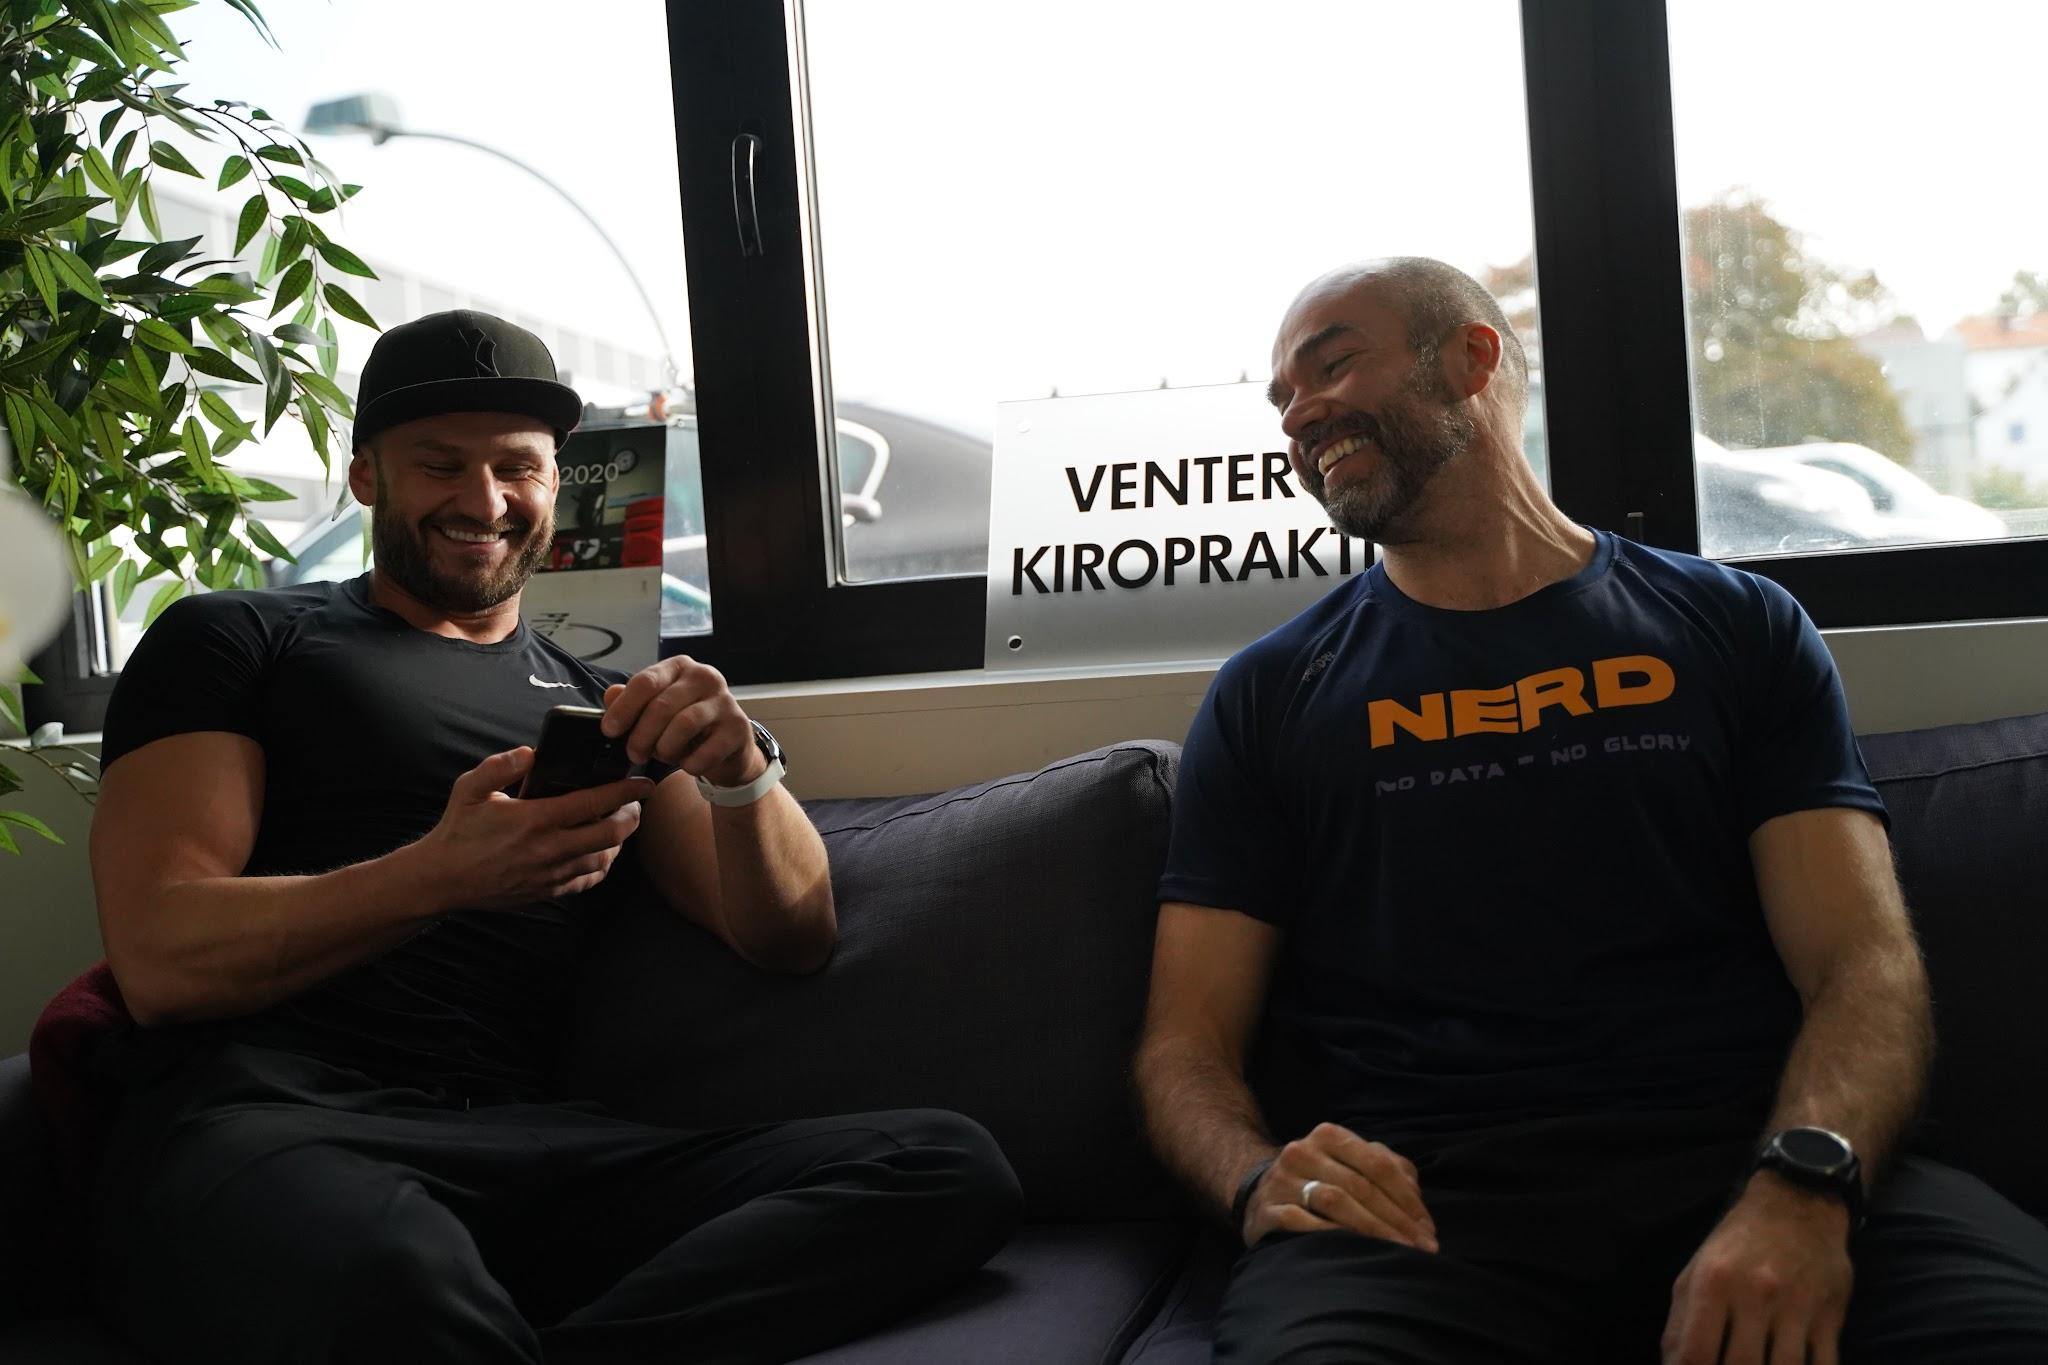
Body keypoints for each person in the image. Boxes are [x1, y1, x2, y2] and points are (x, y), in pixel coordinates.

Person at [1134, 258, 2048, 1363]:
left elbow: (1863, 964)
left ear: (1470, 359)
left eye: (1331, 367)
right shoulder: (1268, 694)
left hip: (1750, 1155)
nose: (1298, 414)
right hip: (1420, 1210)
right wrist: (1251, 1179)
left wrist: (1806, 1182)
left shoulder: (1736, 626)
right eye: (1282, 398)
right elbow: (1186, 1042)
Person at [87, 311, 1020, 1364]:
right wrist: (439, 876)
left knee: (941, 1165)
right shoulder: (239, 638)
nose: (484, 501)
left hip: (518, 1141)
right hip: (270, 1122)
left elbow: (791, 937)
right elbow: (160, 959)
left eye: (516, 467)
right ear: (365, 477)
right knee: (399, 1281)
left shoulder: (602, 705)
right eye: (440, 464)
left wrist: (741, 773)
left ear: (555, 484)